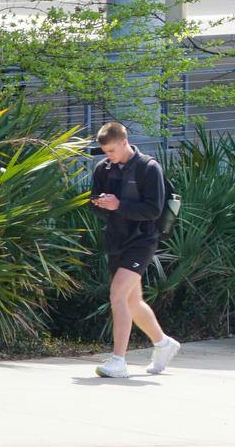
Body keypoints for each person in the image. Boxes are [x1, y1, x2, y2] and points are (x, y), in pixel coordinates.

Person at [89, 122, 179, 379]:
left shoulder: (149, 168)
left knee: (117, 295)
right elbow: (94, 203)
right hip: (116, 239)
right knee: (132, 301)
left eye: (112, 151)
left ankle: (118, 360)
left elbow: (154, 210)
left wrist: (118, 205)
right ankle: (163, 344)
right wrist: (101, 204)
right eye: (105, 152)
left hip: (143, 240)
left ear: (124, 142)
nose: (109, 156)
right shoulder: (102, 169)